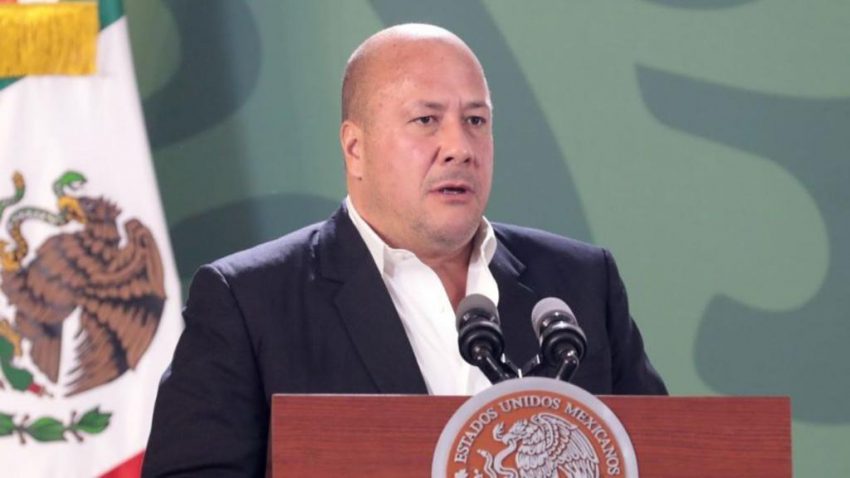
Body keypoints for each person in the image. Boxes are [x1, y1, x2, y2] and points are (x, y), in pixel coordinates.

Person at [142, 23, 666, 476]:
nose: (459, 147)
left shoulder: (580, 283)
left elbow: (670, 457)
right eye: (426, 120)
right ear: (356, 148)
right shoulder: (249, 302)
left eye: (476, 120)